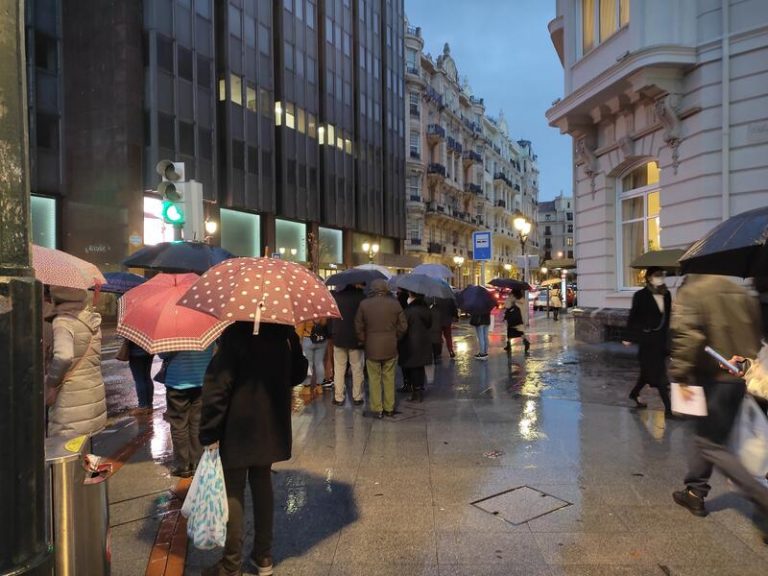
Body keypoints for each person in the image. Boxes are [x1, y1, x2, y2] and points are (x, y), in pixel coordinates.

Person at [200, 322, 308, 576]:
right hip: (270, 424)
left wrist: (209, 431)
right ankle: (263, 556)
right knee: (262, 483)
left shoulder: (235, 334)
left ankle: (231, 564)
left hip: (237, 427)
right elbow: (297, 374)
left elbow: (218, 387)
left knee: (234, 489)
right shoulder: (285, 334)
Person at [669, 274, 768, 542]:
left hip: (711, 379)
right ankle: (695, 492)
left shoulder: (693, 292)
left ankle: (762, 498)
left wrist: (679, 373)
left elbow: (687, 336)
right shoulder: (742, 294)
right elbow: (756, 338)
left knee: (710, 443)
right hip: (738, 377)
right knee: (706, 436)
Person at [45, 286, 107, 437]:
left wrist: (51, 383)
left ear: (56, 298)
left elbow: (64, 357)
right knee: (85, 445)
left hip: (71, 399)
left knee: (66, 446)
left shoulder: (63, 322)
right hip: (93, 393)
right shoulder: (91, 320)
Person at [354, 279, 408, 417]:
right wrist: (395, 337)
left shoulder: (364, 304)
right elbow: (403, 325)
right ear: (386, 289)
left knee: (374, 378)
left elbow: (358, 325)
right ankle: (389, 407)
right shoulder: (395, 303)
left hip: (371, 346)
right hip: (390, 345)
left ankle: (377, 408)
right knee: (389, 377)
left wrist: (364, 340)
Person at [161, 345, 214, 478]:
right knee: (197, 423)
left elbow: (163, 354)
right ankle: (197, 463)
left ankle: (182, 465)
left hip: (177, 381)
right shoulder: (207, 333)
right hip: (201, 380)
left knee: (179, 424)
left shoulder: (171, 333)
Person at [625, 267, 673, 414]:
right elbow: (633, 316)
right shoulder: (640, 295)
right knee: (659, 375)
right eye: (657, 275)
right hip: (646, 340)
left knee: (647, 374)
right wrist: (628, 336)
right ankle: (669, 410)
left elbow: (667, 319)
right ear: (650, 278)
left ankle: (634, 394)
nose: (661, 278)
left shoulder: (667, 294)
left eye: (662, 275)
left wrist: (669, 340)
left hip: (660, 341)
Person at [329, 284, 366, 406]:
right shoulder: (361, 298)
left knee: (339, 369)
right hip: (356, 339)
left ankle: (339, 397)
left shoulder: (336, 297)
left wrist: (331, 333)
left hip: (339, 337)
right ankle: (357, 397)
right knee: (357, 368)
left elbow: (331, 317)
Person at [398, 291, 433, 402]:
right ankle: (418, 390)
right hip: (423, 342)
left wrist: (397, 338)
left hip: (410, 343)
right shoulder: (426, 309)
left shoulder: (408, 311)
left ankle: (416, 393)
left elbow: (403, 328)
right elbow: (429, 324)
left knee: (413, 368)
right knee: (419, 367)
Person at [296, 318, 329, 388]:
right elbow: (324, 323)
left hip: (308, 338)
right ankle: (319, 385)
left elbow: (300, 328)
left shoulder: (306, 313)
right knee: (319, 363)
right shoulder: (322, 312)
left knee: (309, 363)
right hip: (321, 339)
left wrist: (299, 340)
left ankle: (307, 385)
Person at [128, 340, 155, 414]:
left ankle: (143, 406)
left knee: (139, 379)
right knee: (147, 377)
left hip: (136, 353)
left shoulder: (135, 332)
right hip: (148, 351)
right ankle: (149, 405)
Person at [503, 288, 531, 354]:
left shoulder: (511, 298)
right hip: (520, 319)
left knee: (509, 331)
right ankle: (526, 342)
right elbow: (525, 310)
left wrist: (509, 297)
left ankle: (508, 345)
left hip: (512, 319)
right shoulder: (522, 299)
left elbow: (507, 306)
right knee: (520, 332)